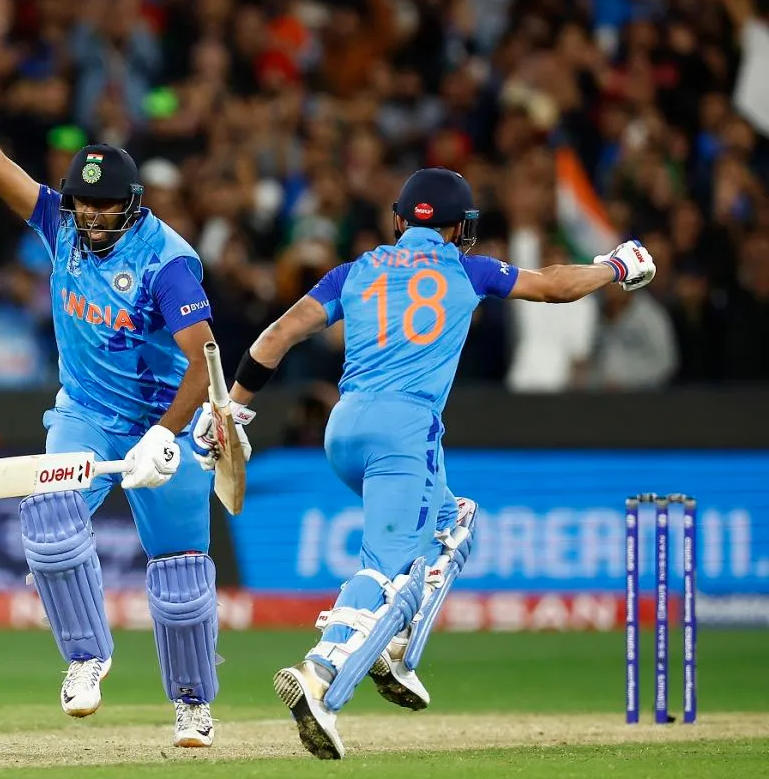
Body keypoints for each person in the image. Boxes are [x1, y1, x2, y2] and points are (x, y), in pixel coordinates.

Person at [191, 168, 656, 759]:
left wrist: (231, 408)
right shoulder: (468, 268)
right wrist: (615, 267)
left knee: (453, 524)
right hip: (403, 434)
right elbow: (557, 287)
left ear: (400, 220)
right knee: (391, 573)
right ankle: (320, 678)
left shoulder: (355, 270)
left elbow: (276, 337)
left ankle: (395, 653)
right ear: (461, 227)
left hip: (345, 424)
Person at [0, 22, 222, 748]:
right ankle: (85, 657)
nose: (94, 219)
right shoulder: (58, 222)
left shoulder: (168, 262)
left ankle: (193, 706)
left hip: (165, 417)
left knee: (180, 576)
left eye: (108, 208)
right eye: (84, 206)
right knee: (46, 522)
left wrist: (167, 438)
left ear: (133, 206)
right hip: (87, 412)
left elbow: (205, 360)